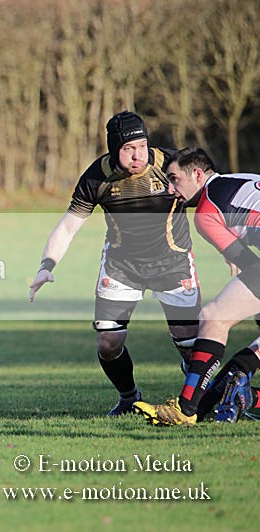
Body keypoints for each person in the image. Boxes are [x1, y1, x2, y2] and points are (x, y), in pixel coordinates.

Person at [28, 111, 201, 416]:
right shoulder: (98, 176)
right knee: (108, 341)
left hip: (172, 263)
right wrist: (47, 265)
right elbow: (69, 226)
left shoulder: (173, 166)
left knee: (189, 342)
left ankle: (197, 396)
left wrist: (233, 251)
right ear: (114, 150)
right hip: (122, 266)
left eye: (142, 146)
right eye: (128, 149)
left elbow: (214, 200)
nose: (138, 156)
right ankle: (129, 398)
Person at [133, 147, 260, 425]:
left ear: (197, 174)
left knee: (214, 317)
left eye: (174, 179)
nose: (170, 189)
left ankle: (187, 409)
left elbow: (248, 264)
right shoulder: (240, 179)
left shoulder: (205, 211)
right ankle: (217, 402)